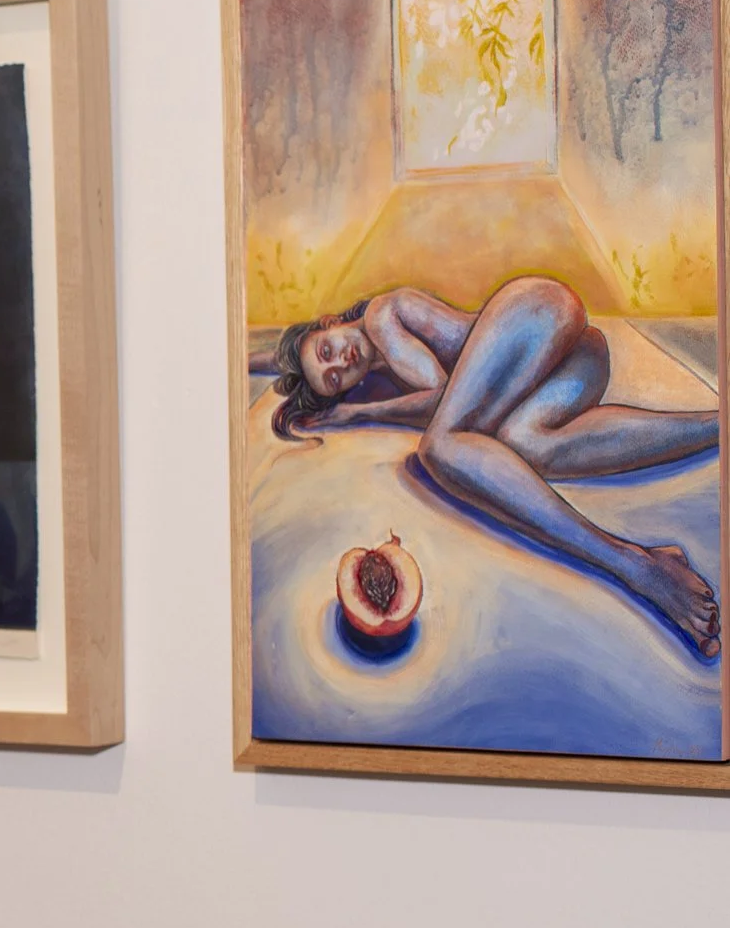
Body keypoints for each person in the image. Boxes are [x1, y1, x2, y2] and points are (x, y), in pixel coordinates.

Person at [266, 274, 721, 656]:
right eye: (334, 380)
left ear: (330, 323)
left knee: (439, 448)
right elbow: (266, 356)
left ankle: (632, 564)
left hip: (538, 314)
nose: (341, 363)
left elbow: (440, 400)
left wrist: (359, 413)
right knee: (528, 446)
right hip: (575, 358)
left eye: (327, 349)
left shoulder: (379, 317)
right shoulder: (380, 363)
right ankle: (713, 427)